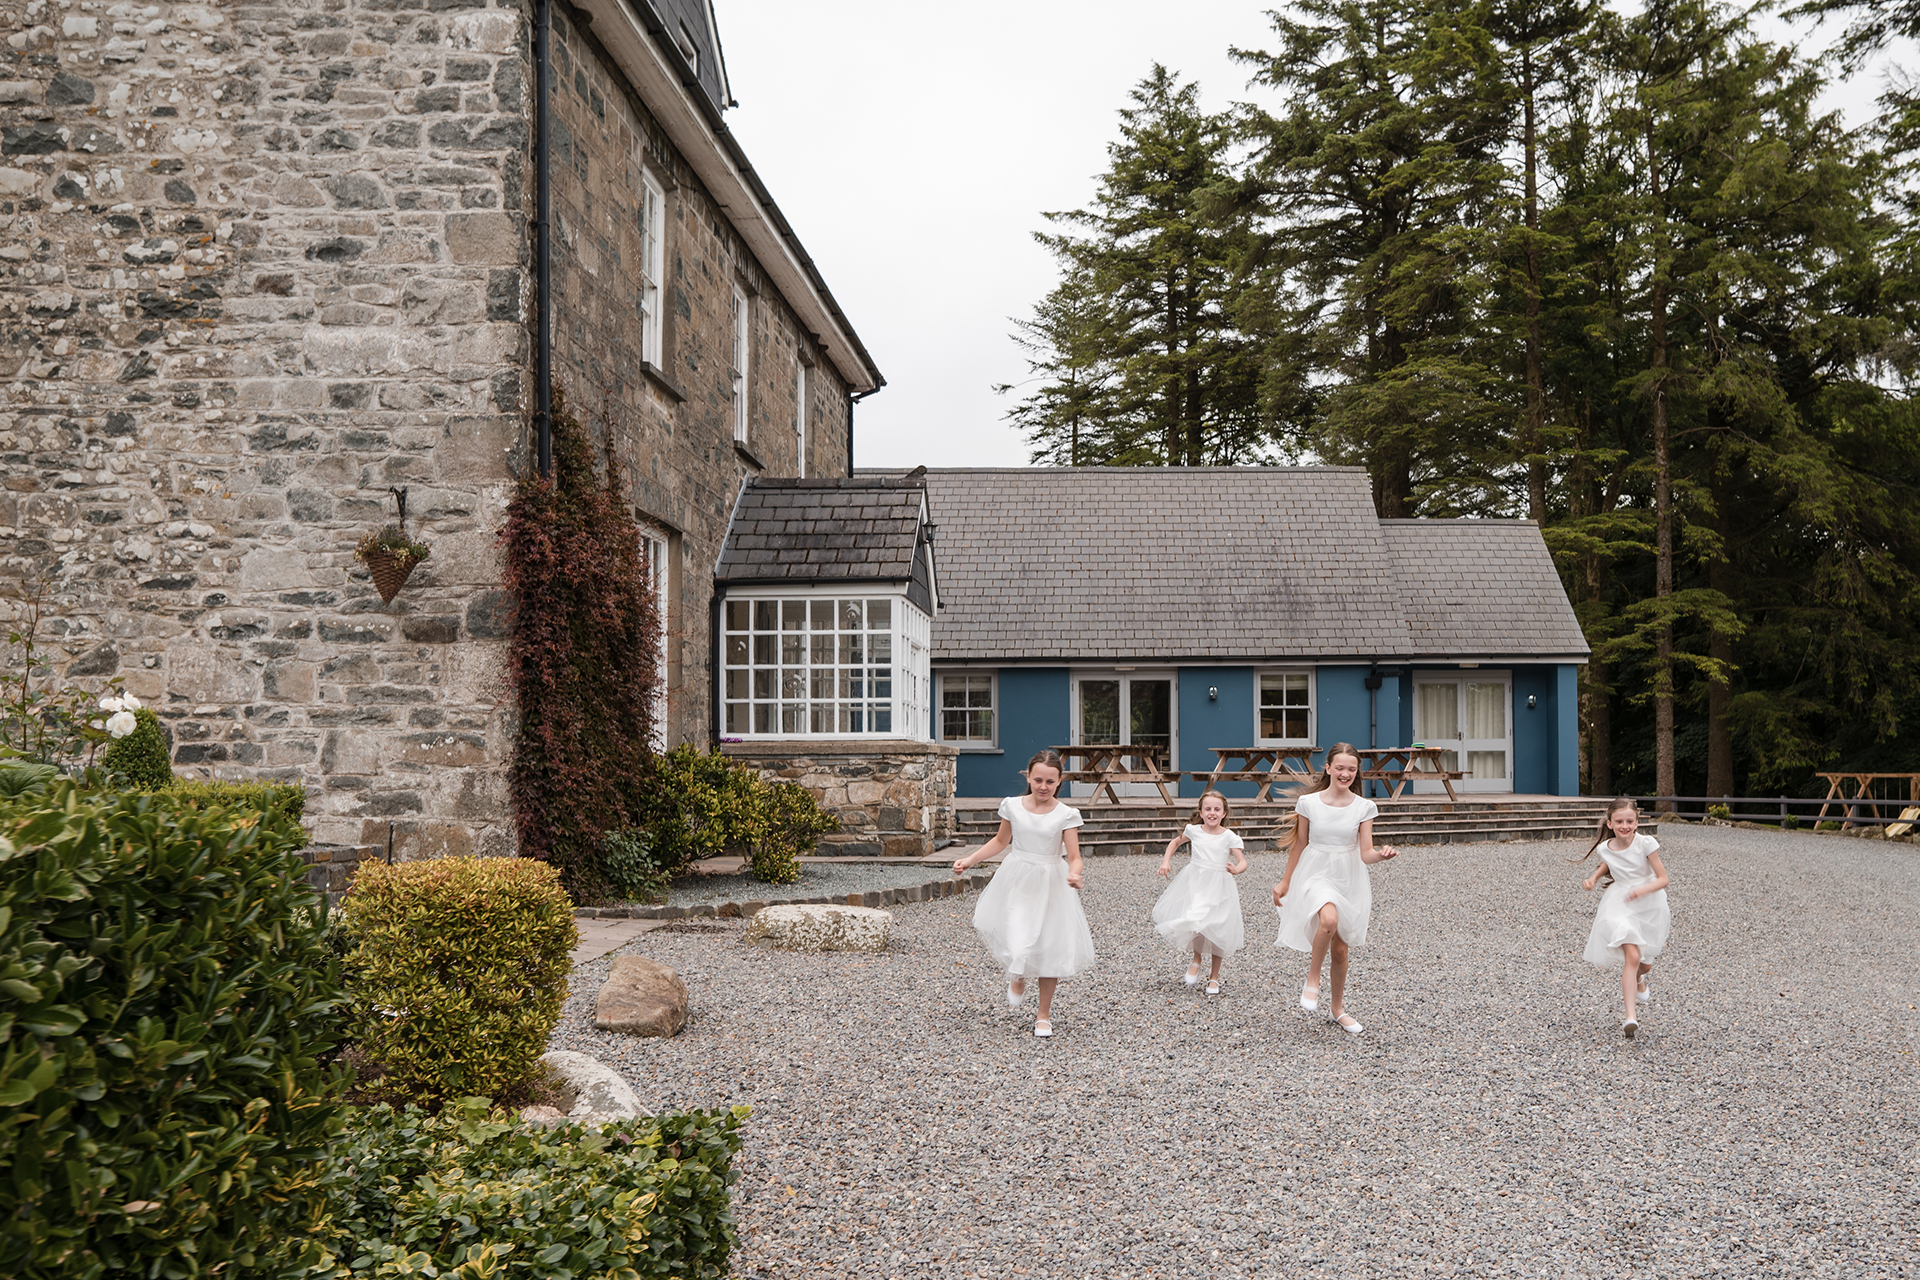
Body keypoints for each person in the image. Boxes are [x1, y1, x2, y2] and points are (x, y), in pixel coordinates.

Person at [952, 750, 1093, 1037]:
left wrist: (1075, 873)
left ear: (1059, 781)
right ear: (1028, 777)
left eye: (1050, 782)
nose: (1043, 786)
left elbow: (1075, 855)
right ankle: (1017, 972)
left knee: (1050, 946)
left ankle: (1043, 1014)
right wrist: (970, 859)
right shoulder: (1012, 806)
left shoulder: (1067, 814)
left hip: (1051, 880)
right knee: (1018, 938)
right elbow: (1001, 840)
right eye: (1038, 780)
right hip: (1018, 878)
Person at [1272, 743, 1400, 1034]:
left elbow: (1365, 852)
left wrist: (1380, 855)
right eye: (1339, 767)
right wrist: (1285, 881)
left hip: (1348, 876)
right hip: (1316, 872)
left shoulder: (1365, 807)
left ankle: (1337, 1010)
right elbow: (1300, 843)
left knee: (1341, 949)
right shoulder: (1309, 803)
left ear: (1357, 773)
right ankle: (1312, 980)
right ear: (1328, 768)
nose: (1345, 773)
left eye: (1351, 769)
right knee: (1327, 920)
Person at [1578, 798, 1670, 1039]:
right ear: (1610, 823)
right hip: (1620, 902)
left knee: (1645, 962)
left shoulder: (1646, 844)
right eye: (1619, 821)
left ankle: (1641, 976)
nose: (1625, 825)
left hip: (1649, 903)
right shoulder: (1605, 847)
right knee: (1632, 954)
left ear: (1637, 823)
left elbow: (1663, 879)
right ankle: (1631, 1017)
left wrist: (1642, 890)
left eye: (1630, 821)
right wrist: (1594, 878)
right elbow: (1608, 862)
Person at [1152, 789, 1248, 994]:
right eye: (1208, 809)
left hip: (1220, 887)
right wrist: (1166, 861)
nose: (1212, 813)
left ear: (1224, 813)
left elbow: (1243, 862)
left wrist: (1237, 869)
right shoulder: (1194, 831)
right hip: (1197, 882)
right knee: (1196, 922)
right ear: (1201, 812)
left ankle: (1214, 977)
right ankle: (1196, 959)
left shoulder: (1229, 836)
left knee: (1217, 929)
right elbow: (1175, 842)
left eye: (1216, 809)